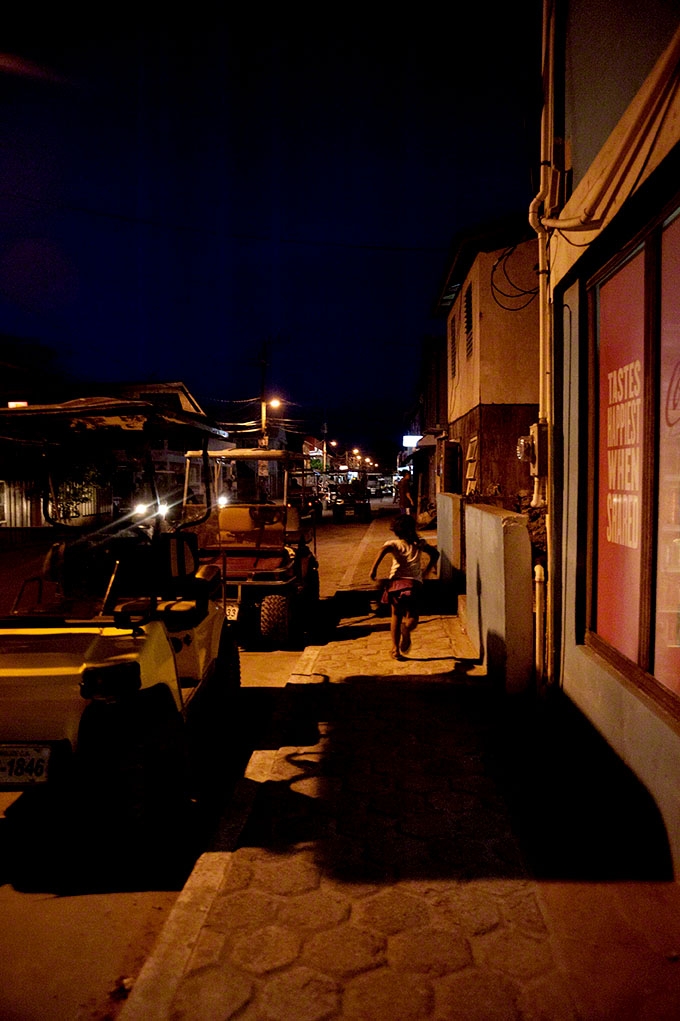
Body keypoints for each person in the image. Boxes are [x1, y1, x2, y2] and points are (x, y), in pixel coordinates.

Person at [369, 513, 440, 660]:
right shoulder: (419, 543)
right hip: (414, 584)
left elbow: (383, 550)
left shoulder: (394, 544)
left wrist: (374, 568)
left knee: (395, 615)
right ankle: (406, 628)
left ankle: (395, 649)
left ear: (395, 530)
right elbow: (435, 554)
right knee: (413, 616)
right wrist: (426, 571)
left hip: (396, 583)